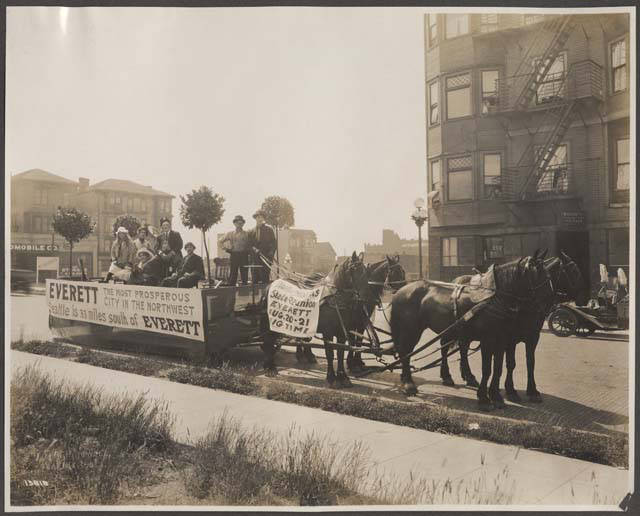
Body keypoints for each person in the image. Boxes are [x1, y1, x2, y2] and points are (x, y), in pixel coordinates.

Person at [221, 215, 250, 286]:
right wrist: (225, 248)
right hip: (234, 255)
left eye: (241, 223)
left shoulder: (247, 234)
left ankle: (244, 292)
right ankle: (231, 293)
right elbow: (220, 241)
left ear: (243, 224)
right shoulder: (230, 233)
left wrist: (248, 251)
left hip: (244, 255)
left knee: (244, 274)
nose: (239, 224)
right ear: (234, 223)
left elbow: (251, 244)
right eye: (237, 223)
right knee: (233, 274)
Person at [249, 209, 277, 284]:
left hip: (266, 258)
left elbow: (274, 243)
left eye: (261, 217)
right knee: (255, 280)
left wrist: (271, 252)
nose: (259, 219)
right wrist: (254, 249)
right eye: (258, 217)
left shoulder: (269, 229)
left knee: (265, 279)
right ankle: (255, 295)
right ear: (255, 219)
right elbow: (249, 244)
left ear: (263, 218)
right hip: (255, 259)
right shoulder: (251, 231)